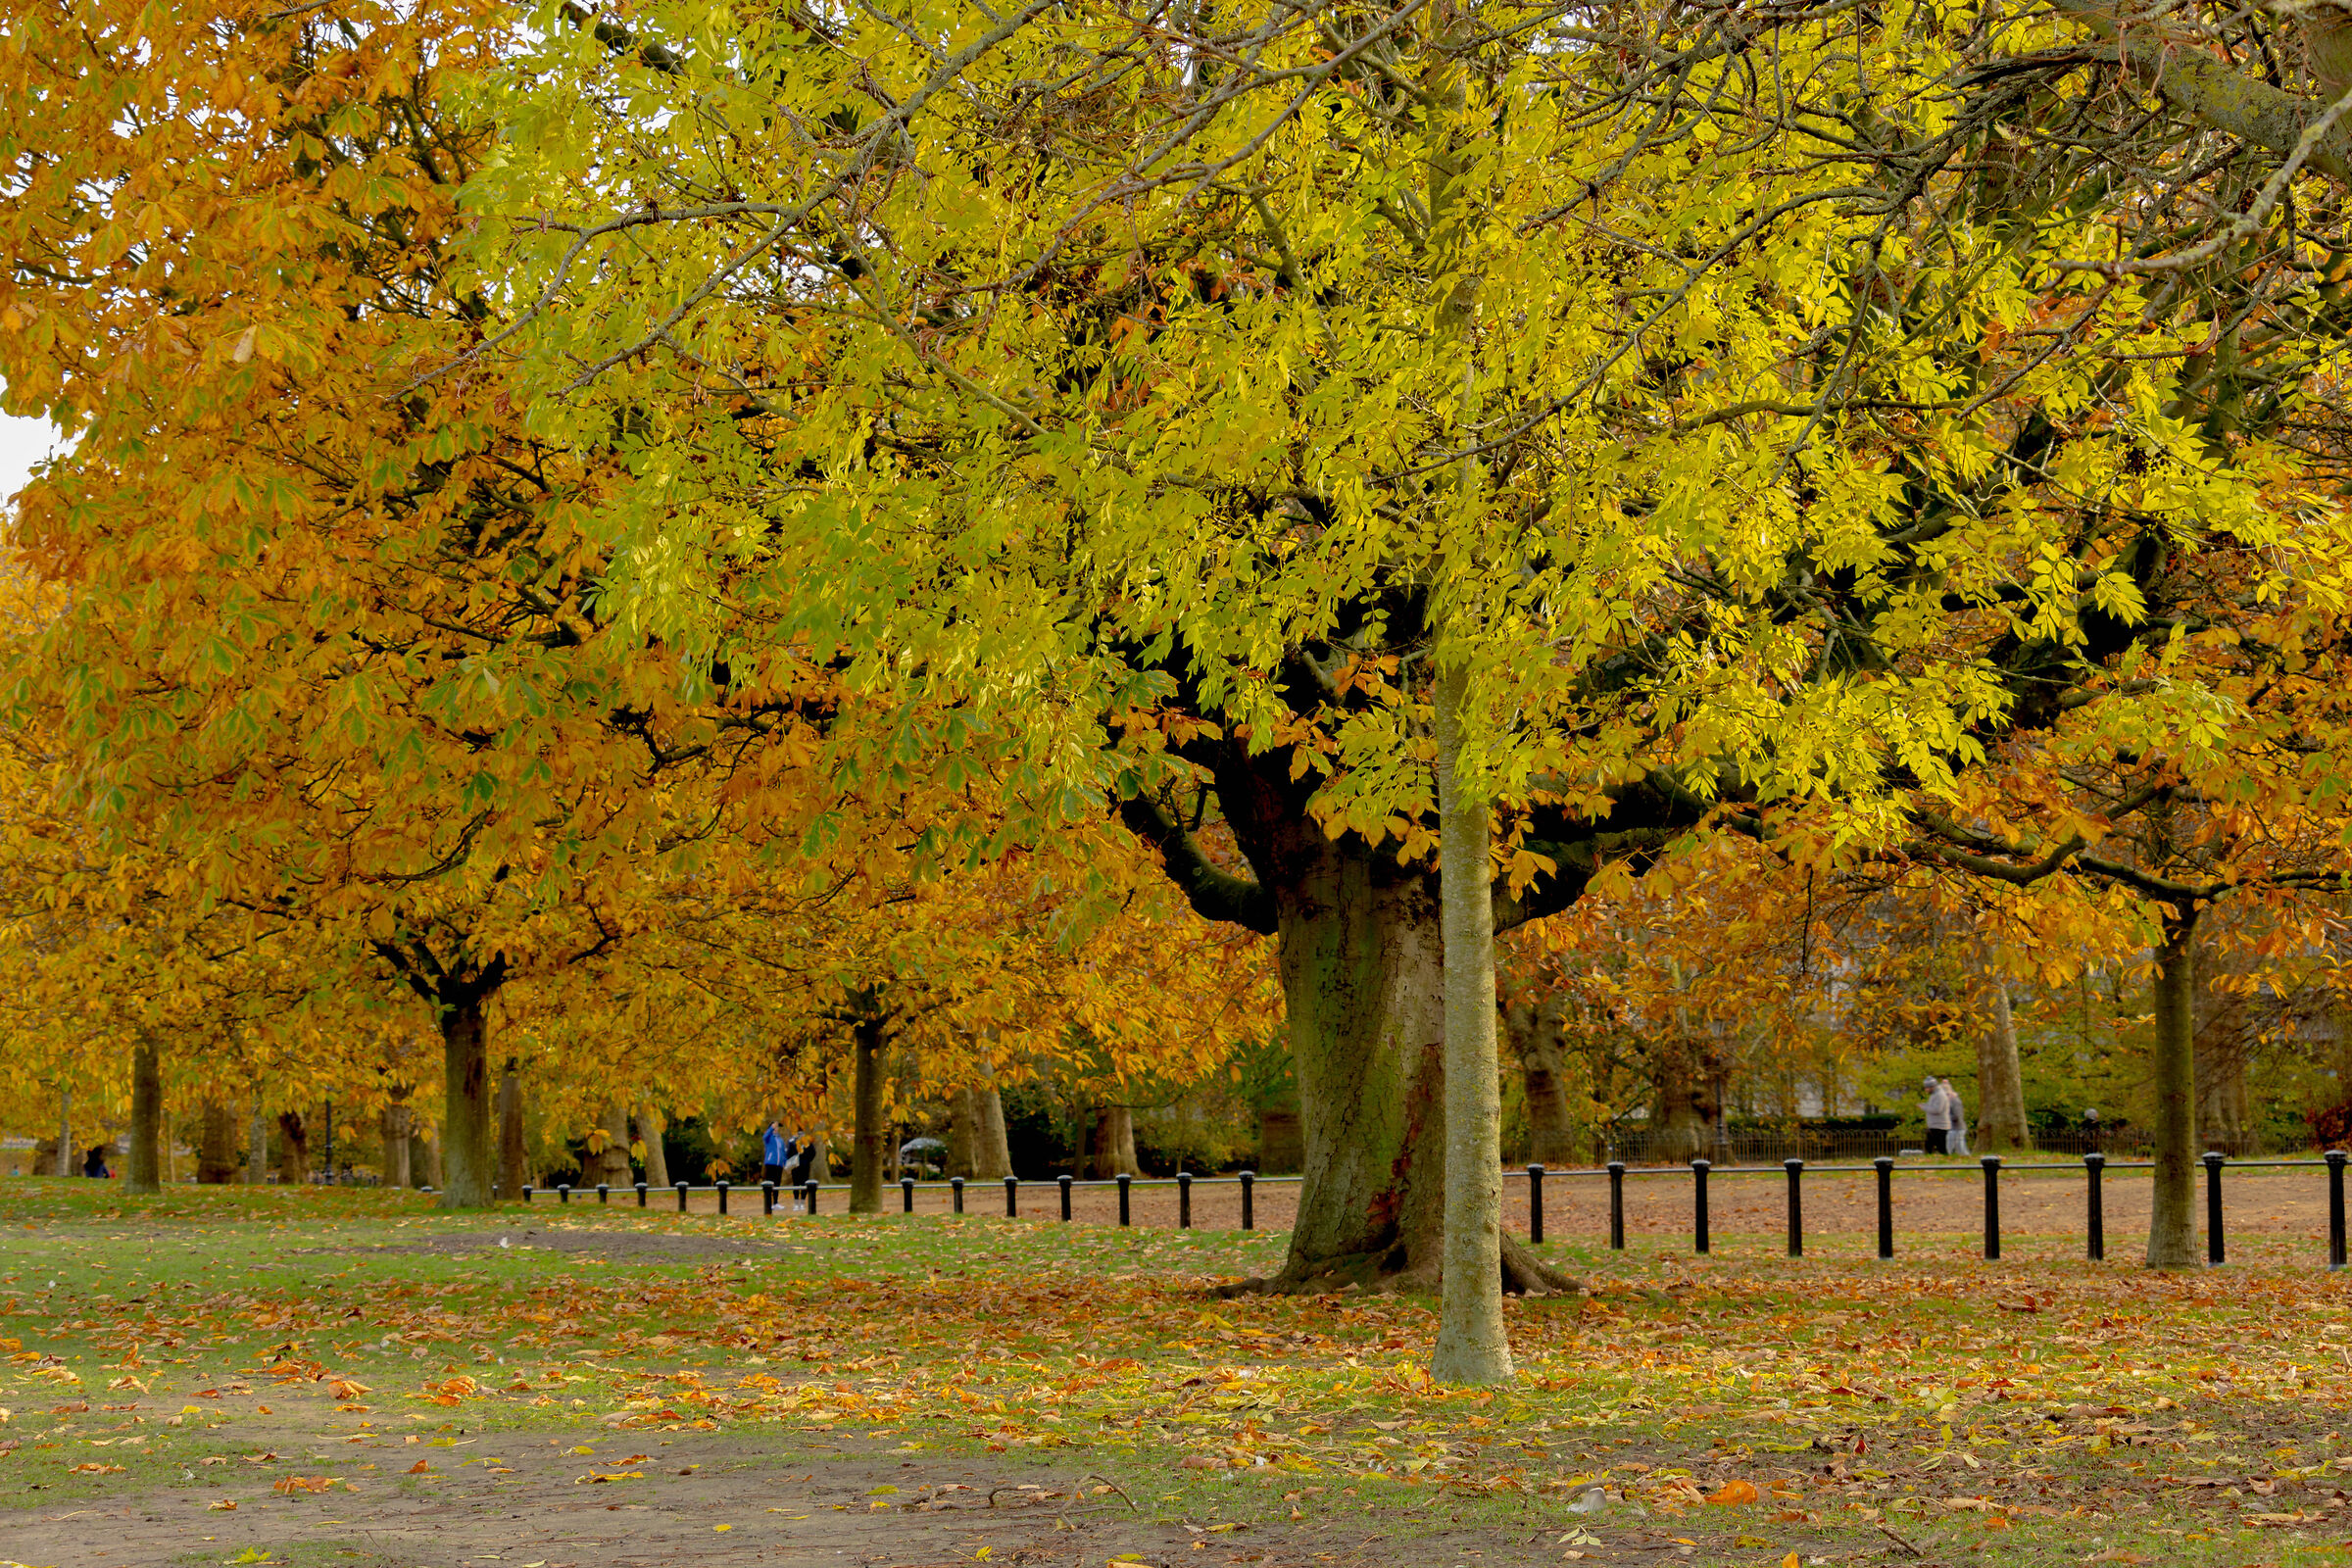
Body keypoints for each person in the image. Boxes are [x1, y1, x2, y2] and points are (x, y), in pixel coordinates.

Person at [1921, 1075, 1951, 1155]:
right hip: (1934, 1125)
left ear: (1932, 1087)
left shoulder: (1939, 1095)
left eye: (1927, 1088)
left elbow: (1937, 1110)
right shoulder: (1934, 1095)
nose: (1925, 1090)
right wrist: (1925, 1105)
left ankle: (1946, 1163)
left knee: (1941, 1147)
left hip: (1939, 1126)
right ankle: (1930, 1160)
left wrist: (1924, 1107)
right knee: (1929, 1146)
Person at [1941, 1079, 1970, 1157]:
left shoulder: (1955, 1102)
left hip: (1957, 1128)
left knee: (1958, 1147)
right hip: (1952, 1128)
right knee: (1957, 1146)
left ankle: (1948, 1156)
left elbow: (1958, 1116)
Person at [760, 1122, 787, 1191]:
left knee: (777, 1183)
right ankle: (768, 1200)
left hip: (779, 1165)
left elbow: (783, 1152)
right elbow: (765, 1137)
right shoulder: (768, 1138)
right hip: (770, 1163)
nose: (776, 1128)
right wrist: (771, 1128)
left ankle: (775, 1200)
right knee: (769, 1183)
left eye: (777, 1127)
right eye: (774, 1127)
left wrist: (786, 1164)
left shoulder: (780, 1140)